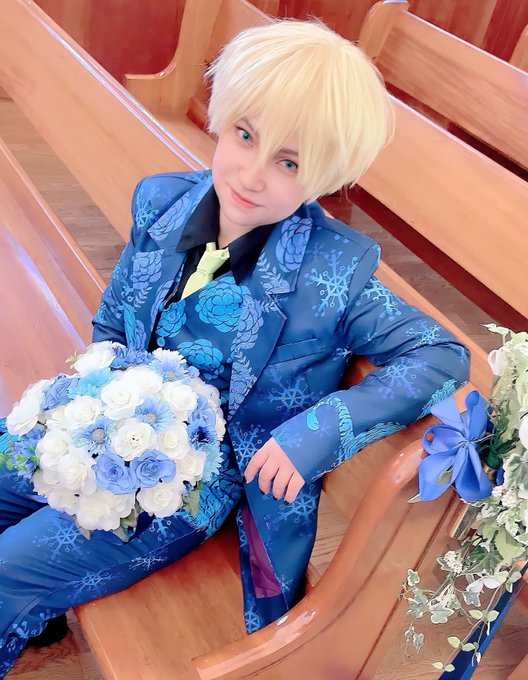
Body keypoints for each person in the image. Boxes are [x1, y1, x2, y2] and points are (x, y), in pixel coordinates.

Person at [0, 19, 469, 675]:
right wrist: (94, 405)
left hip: (189, 481)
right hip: (108, 419)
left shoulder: (332, 275)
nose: (251, 173)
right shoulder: (163, 203)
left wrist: (314, 435)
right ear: (222, 120)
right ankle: (37, 614)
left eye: (288, 162)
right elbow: (114, 321)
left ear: (324, 175)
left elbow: (441, 356)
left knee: (8, 567)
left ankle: (23, 604)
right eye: (245, 136)